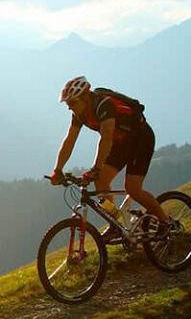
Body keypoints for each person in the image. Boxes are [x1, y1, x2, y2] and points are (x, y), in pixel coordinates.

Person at [51, 76, 163, 238]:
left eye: (72, 103)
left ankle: (166, 222)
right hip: (121, 142)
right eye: (68, 104)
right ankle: (115, 224)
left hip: (140, 139)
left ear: (85, 97)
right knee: (101, 181)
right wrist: (58, 170)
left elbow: (106, 137)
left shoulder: (104, 105)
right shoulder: (79, 113)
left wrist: (97, 167)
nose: (70, 108)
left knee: (132, 188)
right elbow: (69, 141)